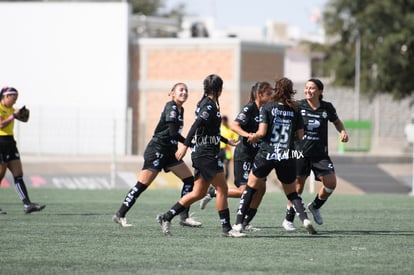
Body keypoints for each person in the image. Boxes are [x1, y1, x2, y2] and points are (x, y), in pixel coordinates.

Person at [156, 74, 245, 237]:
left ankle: (166, 216)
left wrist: (226, 140)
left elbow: (210, 131)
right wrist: (184, 146)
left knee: (198, 193)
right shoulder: (208, 106)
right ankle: (227, 229)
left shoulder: (209, 104)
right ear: (218, 89)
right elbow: (196, 125)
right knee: (222, 188)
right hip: (205, 154)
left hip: (206, 152)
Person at [233, 77, 317, 235]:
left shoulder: (268, 107)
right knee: (292, 193)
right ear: (290, 90)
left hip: (267, 153)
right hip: (286, 155)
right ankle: (305, 219)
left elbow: (262, 132)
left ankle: (238, 225)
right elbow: (300, 136)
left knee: (250, 188)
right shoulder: (295, 109)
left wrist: (253, 136)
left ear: (276, 89)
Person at [112, 83, 201, 228]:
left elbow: (173, 135)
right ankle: (120, 214)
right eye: (181, 90)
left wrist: (187, 144)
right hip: (157, 151)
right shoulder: (171, 107)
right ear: (172, 93)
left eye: (186, 90)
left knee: (189, 180)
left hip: (169, 152)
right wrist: (189, 143)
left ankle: (183, 217)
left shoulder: (181, 109)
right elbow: (172, 133)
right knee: (142, 185)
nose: (184, 92)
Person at [200, 81, 274, 231]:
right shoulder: (250, 108)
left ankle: (246, 222)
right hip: (244, 155)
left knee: (261, 189)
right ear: (259, 94)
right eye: (268, 92)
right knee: (244, 191)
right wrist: (248, 135)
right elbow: (234, 125)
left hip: (258, 155)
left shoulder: (266, 109)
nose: (271, 95)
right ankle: (214, 192)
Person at [282, 78, 348, 231]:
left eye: (312, 88)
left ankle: (315, 206)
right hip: (300, 152)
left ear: (320, 91)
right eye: (306, 88)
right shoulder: (298, 105)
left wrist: (343, 131)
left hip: (320, 154)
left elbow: (337, 122)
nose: (308, 91)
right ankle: (288, 219)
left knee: (331, 183)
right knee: (297, 188)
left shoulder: (327, 107)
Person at [0, 86, 46, 214]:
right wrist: (12, 117)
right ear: (6, 96)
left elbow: (25, 120)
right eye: (13, 98)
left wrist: (24, 114)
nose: (15, 101)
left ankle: (27, 204)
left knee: (18, 174)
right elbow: (1, 124)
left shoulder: (12, 110)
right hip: (1, 142)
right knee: (0, 175)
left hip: (10, 143)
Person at [218, 115, 238, 181]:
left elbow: (236, 138)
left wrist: (232, 140)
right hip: (219, 150)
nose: (223, 123)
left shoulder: (230, 129)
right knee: (218, 166)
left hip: (227, 150)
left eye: (224, 122)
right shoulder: (219, 128)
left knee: (226, 166)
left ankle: (225, 181)